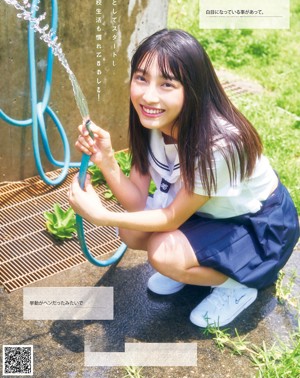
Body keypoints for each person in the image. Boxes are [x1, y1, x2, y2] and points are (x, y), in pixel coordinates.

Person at [69, 29, 299, 328]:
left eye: (167, 84)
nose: (148, 95)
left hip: (258, 227)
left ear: (192, 89)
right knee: (131, 233)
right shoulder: (152, 122)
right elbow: (138, 201)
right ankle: (195, 267)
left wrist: (101, 215)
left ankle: (239, 285)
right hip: (208, 214)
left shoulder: (219, 144)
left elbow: (170, 219)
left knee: (163, 253)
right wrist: (108, 160)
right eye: (141, 78)